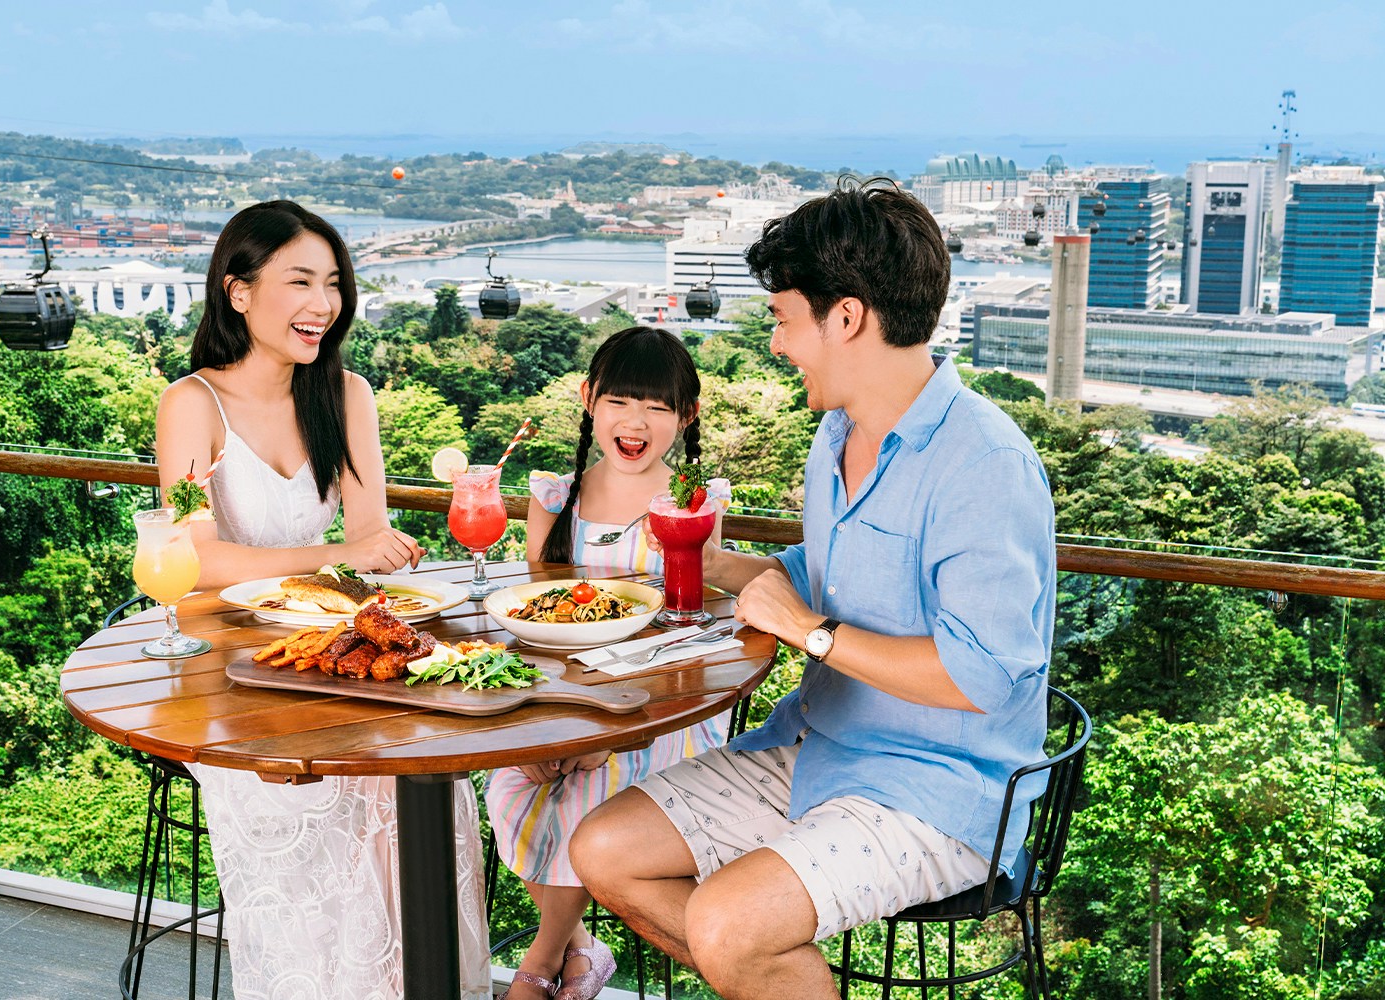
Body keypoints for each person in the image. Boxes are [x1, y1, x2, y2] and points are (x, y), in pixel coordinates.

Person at [569, 180, 1057, 1000]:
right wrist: (724, 570)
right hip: (820, 748)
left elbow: (985, 675)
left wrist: (811, 632)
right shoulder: (835, 434)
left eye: (783, 318)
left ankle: (755, 961)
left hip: (944, 789)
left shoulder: (984, 465)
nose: (776, 343)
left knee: (729, 922)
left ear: (847, 318)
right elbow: (824, 576)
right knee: (603, 851)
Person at [153, 200, 490, 999]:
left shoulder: (346, 394)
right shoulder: (191, 404)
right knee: (317, 804)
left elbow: (371, 533)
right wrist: (342, 552)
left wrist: (376, 555)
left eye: (332, 283)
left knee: (425, 779)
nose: (324, 303)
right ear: (238, 291)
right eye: (300, 280)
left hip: (332, 657)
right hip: (235, 678)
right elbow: (196, 562)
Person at [484, 326, 730, 1000]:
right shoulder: (555, 496)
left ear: (686, 417)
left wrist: (620, 730)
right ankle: (583, 948)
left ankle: (539, 965)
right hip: (565, 703)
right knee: (507, 787)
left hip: (662, 710)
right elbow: (532, 623)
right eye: (621, 400)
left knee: (589, 803)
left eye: (657, 407)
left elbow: (699, 630)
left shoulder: (693, 506)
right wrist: (553, 729)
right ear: (590, 400)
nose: (636, 421)